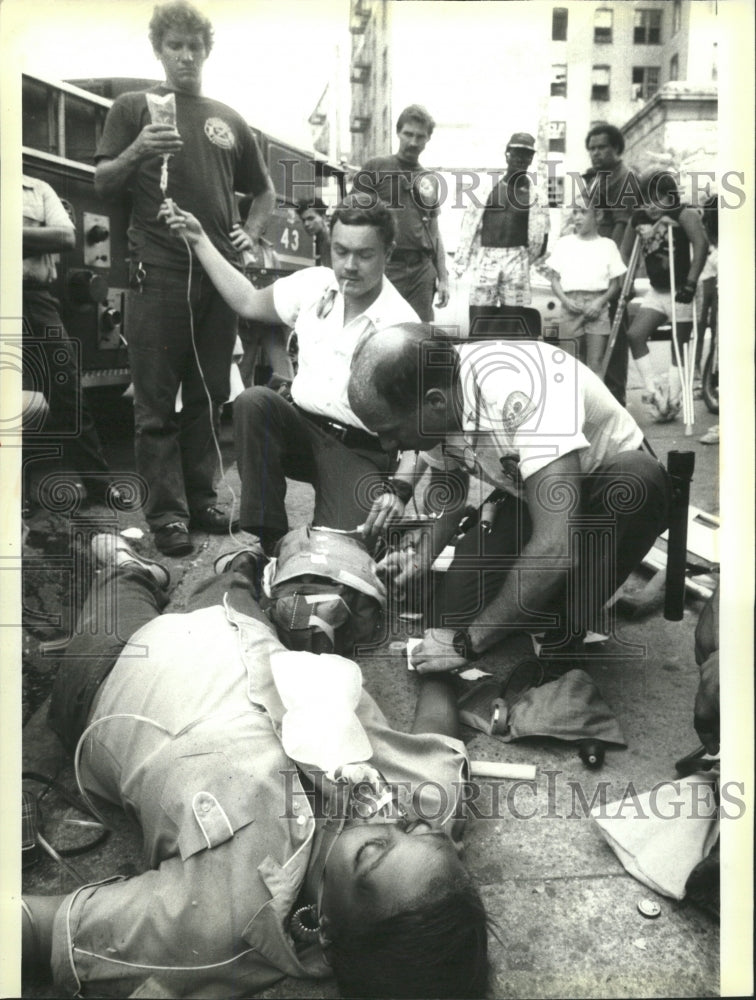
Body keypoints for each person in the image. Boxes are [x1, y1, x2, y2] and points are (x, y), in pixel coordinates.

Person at [22, 534, 489, 999]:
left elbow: (38, 932)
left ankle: (136, 569)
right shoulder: (426, 824)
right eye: (417, 827)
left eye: (373, 850)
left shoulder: (217, 926)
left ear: (324, 931)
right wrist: (441, 660)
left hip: (113, 672)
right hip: (245, 633)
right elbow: (436, 735)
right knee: (231, 588)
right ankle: (239, 566)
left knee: (121, 590)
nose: (387, 815)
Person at [347, 324, 670, 672]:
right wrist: (422, 557)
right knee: (452, 607)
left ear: (435, 402)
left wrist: (468, 643)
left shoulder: (522, 390)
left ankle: (565, 628)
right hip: (531, 490)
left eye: (390, 432)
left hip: (606, 488)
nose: (386, 447)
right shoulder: (440, 390)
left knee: (631, 485)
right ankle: (536, 609)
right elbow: (451, 487)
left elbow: (556, 548)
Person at [94, 0, 276, 556]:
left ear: (206, 52)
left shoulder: (229, 117)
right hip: (160, 273)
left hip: (220, 277)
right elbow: (102, 182)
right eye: (175, 45)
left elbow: (263, 191)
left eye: (195, 46)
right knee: (155, 404)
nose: (186, 55)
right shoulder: (132, 108)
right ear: (160, 50)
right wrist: (138, 150)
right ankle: (166, 515)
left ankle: (202, 500)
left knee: (209, 395)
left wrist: (251, 231)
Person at [159, 194, 421, 552]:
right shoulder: (315, 284)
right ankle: (270, 541)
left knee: (338, 561)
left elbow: (422, 431)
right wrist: (199, 239)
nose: (350, 266)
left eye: (365, 254)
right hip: (300, 429)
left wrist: (400, 491)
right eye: (341, 251)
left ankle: (333, 536)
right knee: (254, 401)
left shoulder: (402, 327)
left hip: (359, 450)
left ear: (388, 254)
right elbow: (248, 302)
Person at [22, 175, 117, 510]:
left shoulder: (36, 189)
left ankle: (98, 484)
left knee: (68, 391)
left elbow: (64, 236)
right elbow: (51, 236)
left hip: (35, 297)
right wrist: (35, 237)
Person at [622, 171, 708, 422]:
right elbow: (626, 253)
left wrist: (691, 283)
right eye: (645, 200)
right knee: (635, 334)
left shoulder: (684, 214)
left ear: (670, 197)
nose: (650, 207)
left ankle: (673, 398)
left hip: (682, 289)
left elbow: (700, 245)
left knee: (678, 344)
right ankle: (653, 391)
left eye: (656, 200)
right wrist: (624, 284)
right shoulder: (638, 219)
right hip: (657, 291)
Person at [352, 105, 449, 322]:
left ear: (428, 139)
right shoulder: (375, 168)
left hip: (421, 271)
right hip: (385, 266)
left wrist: (443, 278)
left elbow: (434, 231)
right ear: (398, 132)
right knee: (377, 330)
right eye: (408, 134)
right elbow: (351, 219)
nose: (413, 142)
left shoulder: (429, 179)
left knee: (419, 334)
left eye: (420, 136)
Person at [453, 131, 549, 331]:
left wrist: (524, 259)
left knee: (511, 326)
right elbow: (468, 225)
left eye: (527, 154)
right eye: (517, 153)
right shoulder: (487, 188)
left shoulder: (537, 195)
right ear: (507, 154)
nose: (521, 158)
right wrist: (462, 262)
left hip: (517, 260)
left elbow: (542, 237)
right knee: (479, 324)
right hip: (486, 257)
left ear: (532, 158)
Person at [581, 124, 642, 407]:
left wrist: (608, 268)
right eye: (592, 148)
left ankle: (617, 401)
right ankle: (600, 401)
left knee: (614, 338)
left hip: (612, 269)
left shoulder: (624, 178)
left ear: (616, 148)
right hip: (593, 267)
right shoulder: (598, 179)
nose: (595, 153)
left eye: (601, 147)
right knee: (594, 334)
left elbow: (623, 225)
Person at [547, 200, 626, 373]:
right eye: (575, 212)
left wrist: (599, 302)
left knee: (596, 363)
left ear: (598, 215)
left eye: (583, 212)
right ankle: (574, 400)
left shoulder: (608, 245)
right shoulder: (564, 243)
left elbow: (615, 284)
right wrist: (565, 301)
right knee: (570, 363)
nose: (577, 217)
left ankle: (594, 400)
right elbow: (554, 280)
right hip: (570, 306)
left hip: (597, 307)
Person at [297, 197, 332, 267]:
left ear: (323, 217)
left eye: (310, 218)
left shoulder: (332, 240)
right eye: (303, 220)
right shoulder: (320, 240)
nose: (306, 224)